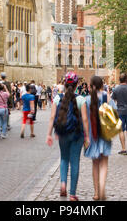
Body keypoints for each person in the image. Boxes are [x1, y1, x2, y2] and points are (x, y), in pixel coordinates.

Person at [46, 72, 89, 201]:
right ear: (77, 85)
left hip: (62, 133)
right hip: (77, 134)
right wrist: (87, 137)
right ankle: (72, 194)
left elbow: (52, 117)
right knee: (75, 162)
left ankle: (63, 183)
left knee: (64, 159)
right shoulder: (81, 99)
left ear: (64, 84)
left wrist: (49, 134)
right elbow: (85, 120)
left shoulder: (58, 99)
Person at [85, 76, 111, 201]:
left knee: (95, 164)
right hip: (105, 134)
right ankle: (102, 188)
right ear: (102, 85)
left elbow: (84, 120)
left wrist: (85, 137)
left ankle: (96, 192)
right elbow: (113, 114)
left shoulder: (87, 100)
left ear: (90, 86)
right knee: (104, 163)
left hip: (92, 135)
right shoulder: (106, 97)